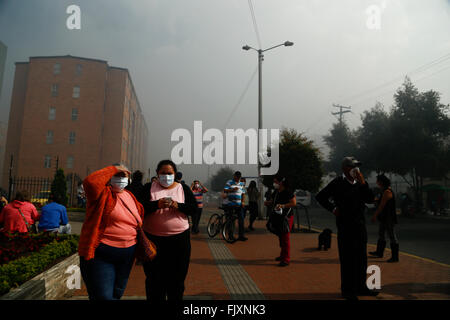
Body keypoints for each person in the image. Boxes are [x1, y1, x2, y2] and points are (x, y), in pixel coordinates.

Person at [78, 164, 144, 300]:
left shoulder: (130, 196)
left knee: (116, 294)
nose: (120, 179)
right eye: (116, 175)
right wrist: (114, 168)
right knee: (103, 296)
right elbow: (90, 182)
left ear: (129, 179)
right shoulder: (101, 195)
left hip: (127, 255)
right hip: (102, 254)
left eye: (123, 175)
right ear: (109, 177)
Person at [316, 156, 378, 300]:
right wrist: (333, 209)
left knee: (361, 258)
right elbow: (320, 197)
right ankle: (348, 290)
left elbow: (370, 199)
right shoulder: (338, 182)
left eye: (357, 167)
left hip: (360, 225)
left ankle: (361, 287)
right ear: (345, 168)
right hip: (345, 226)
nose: (356, 170)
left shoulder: (360, 183)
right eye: (352, 167)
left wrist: (363, 184)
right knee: (348, 259)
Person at [141, 160, 197, 301]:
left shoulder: (183, 188)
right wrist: (156, 204)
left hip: (179, 241)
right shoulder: (149, 187)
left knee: (176, 280)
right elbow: (139, 207)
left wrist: (178, 205)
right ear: (157, 174)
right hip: (153, 240)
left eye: (169, 173)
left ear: (175, 174)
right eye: (163, 173)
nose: (166, 176)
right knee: (154, 280)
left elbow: (194, 208)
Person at [264, 175, 296, 266]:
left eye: (276, 182)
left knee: (285, 237)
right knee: (280, 235)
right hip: (277, 216)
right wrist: (268, 203)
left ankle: (286, 259)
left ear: (281, 183)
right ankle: (282, 255)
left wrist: (283, 206)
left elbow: (293, 203)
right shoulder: (276, 192)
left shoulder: (287, 192)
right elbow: (272, 201)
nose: (274, 184)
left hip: (286, 217)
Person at [369, 174, 399, 262]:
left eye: (377, 181)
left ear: (381, 182)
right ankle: (379, 252)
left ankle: (395, 257)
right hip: (384, 217)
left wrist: (374, 216)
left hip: (389, 217)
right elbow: (377, 201)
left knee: (392, 236)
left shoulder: (387, 192)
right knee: (381, 234)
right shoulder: (382, 191)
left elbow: (382, 206)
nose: (376, 182)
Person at [223, 171, 247, 241]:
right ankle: (230, 235)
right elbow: (225, 190)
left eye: (239, 177)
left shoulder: (241, 184)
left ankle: (241, 236)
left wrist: (242, 202)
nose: (237, 178)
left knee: (241, 220)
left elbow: (243, 194)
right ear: (234, 176)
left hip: (239, 205)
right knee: (231, 221)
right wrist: (232, 189)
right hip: (231, 205)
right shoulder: (229, 182)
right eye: (236, 177)